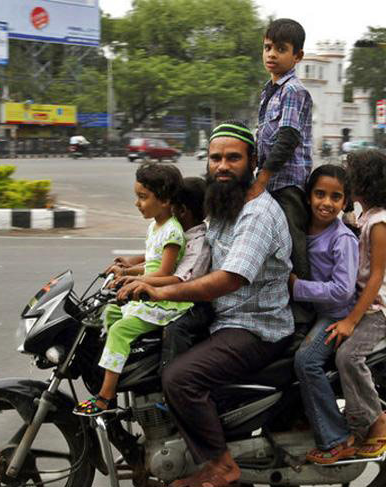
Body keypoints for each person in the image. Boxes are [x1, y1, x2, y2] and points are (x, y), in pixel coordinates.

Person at [118, 121, 293, 487]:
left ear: (252, 161)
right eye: (216, 158)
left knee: (180, 378)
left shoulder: (257, 214)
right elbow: (192, 249)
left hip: (254, 327)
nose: (222, 166)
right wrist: (137, 267)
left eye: (233, 158)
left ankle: (220, 465)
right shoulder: (225, 204)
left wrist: (162, 292)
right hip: (222, 317)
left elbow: (230, 277)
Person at [73, 163, 192, 416]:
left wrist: (131, 278)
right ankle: (117, 369)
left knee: (118, 331)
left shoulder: (172, 231)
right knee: (109, 314)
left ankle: (105, 396)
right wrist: (126, 270)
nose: (137, 203)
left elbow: (165, 274)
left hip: (164, 304)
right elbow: (150, 263)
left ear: (165, 200)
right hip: (149, 295)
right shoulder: (155, 226)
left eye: (143, 197)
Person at [324, 148, 386, 458]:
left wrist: (351, 321)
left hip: (379, 311)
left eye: (350, 176)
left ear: (363, 182)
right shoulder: (365, 216)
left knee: (348, 356)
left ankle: (375, 418)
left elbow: (376, 278)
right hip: (364, 305)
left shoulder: (380, 223)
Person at [288, 164, 361, 464]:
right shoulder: (302, 228)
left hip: (335, 316)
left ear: (345, 202)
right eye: (320, 194)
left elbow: (343, 290)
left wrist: (298, 287)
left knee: (305, 361)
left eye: (335, 197)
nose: (326, 203)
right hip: (313, 313)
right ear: (308, 197)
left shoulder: (342, 239)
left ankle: (336, 438)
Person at [111, 177, 214, 372]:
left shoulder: (198, 243)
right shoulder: (178, 233)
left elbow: (178, 279)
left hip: (192, 303)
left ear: (182, 210)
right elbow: (156, 262)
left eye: (171, 206)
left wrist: (137, 279)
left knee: (175, 330)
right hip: (173, 294)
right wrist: (128, 269)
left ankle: (170, 383)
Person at [253, 18, 314, 327]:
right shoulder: (269, 91)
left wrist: (261, 179)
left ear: (297, 56)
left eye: (280, 49)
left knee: (293, 246)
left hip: (287, 185)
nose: (271, 54)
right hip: (269, 182)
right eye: (267, 47)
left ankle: (304, 319)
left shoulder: (293, 91)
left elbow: (287, 138)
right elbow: (262, 138)